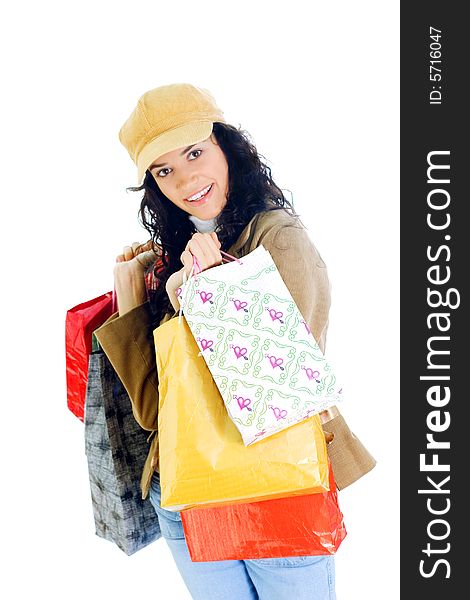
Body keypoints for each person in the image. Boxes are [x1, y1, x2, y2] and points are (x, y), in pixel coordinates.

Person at [95, 83, 375, 600]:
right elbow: (157, 411)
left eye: (195, 152)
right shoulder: (169, 257)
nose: (185, 178)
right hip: (184, 493)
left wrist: (200, 292)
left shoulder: (277, 237)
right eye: (163, 170)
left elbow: (282, 386)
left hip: (274, 484)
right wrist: (133, 299)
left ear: (227, 146)